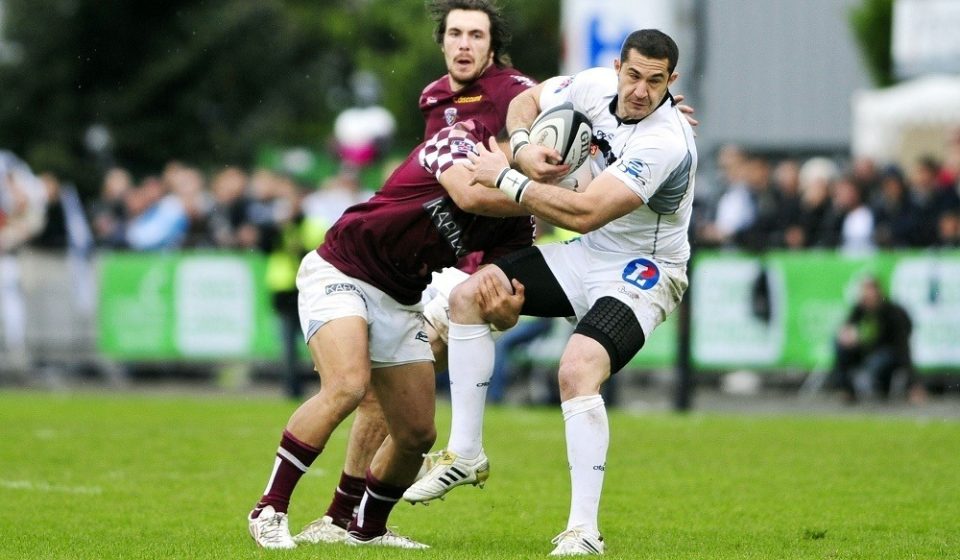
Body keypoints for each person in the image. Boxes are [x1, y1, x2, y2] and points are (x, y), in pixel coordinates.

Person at [404, 29, 697, 556]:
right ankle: (466, 453)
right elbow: (526, 100)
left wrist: (506, 175)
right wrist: (522, 144)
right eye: (633, 76)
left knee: (576, 370)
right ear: (616, 68)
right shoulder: (589, 86)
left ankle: (584, 531)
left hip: (643, 269)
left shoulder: (665, 140)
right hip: (587, 256)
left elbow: (586, 213)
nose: (640, 90)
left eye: (656, 82)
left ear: (671, 82)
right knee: (468, 295)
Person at [287, 0, 541, 546]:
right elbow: (447, 180)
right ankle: (345, 520)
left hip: (473, 261)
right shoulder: (434, 98)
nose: (465, 44)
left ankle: (358, 514)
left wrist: (645, 107)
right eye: (455, 34)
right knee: (376, 395)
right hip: (437, 263)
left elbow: (561, 102)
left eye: (476, 34)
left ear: (492, 46)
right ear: (443, 41)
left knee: (400, 402)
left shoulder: (515, 90)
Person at [246, 115, 536, 549]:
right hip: (343, 270)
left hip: (402, 299)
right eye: (546, 157)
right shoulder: (463, 138)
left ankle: (366, 530)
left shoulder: (518, 225)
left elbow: (500, 300)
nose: (552, 168)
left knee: (417, 433)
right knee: (347, 386)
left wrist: (506, 312)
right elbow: (466, 194)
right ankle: (270, 508)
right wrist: (540, 197)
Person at [832, 276, 924, 403]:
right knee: (839, 345)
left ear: (878, 292)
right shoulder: (859, 310)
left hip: (890, 352)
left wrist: (913, 383)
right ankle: (846, 390)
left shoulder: (892, 312)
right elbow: (846, 328)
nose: (867, 295)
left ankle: (880, 390)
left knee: (877, 362)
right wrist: (846, 337)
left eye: (870, 291)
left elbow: (903, 347)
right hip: (866, 351)